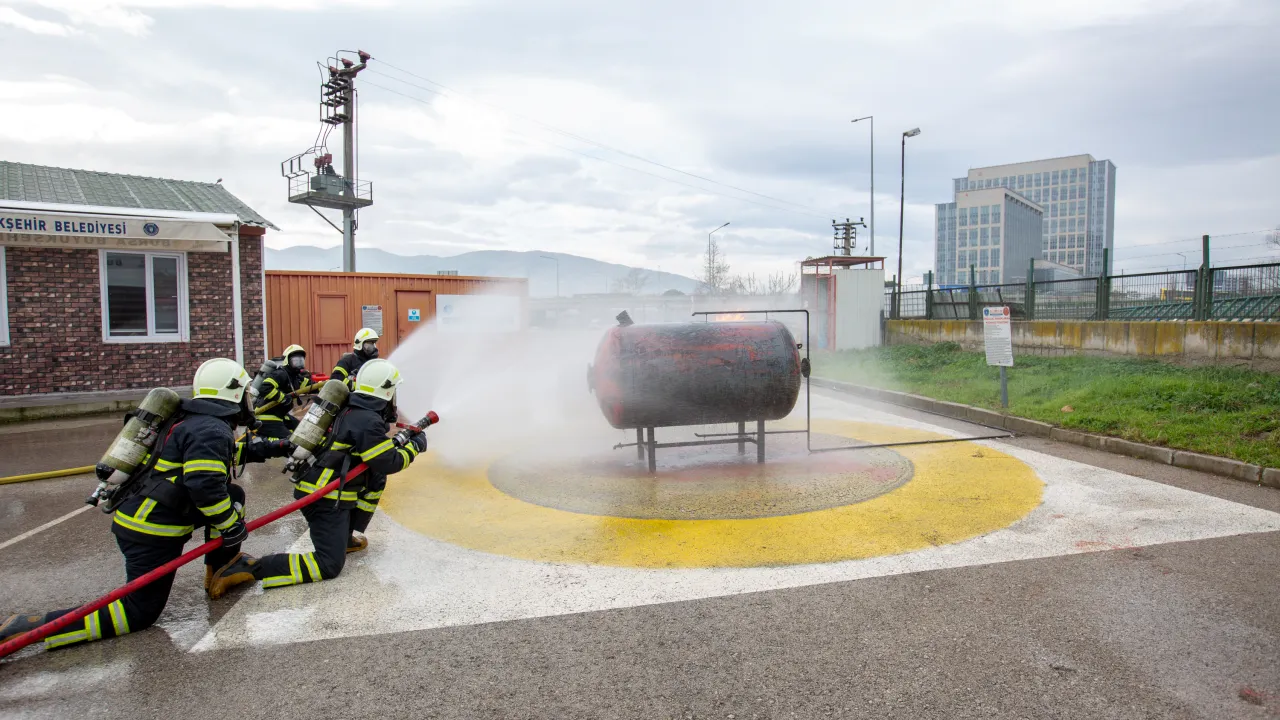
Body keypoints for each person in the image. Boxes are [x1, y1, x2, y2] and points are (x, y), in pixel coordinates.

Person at [0, 359, 294, 648]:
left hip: (147, 516)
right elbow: (204, 485)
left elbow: (218, 461)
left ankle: (221, 570)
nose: (249, 401)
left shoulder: (190, 419)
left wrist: (277, 446)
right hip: (152, 530)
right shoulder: (212, 430)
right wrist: (231, 527)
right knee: (138, 612)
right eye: (245, 393)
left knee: (234, 496)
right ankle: (32, 628)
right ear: (234, 393)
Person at [208, 359, 426, 596]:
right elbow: (389, 461)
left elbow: (378, 458)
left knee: (376, 477)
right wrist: (414, 446)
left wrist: (402, 441)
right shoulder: (367, 421)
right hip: (324, 498)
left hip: (321, 490)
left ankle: (345, 537)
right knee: (329, 565)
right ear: (386, 391)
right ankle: (250, 568)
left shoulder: (352, 409)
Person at [254, 344, 315, 440]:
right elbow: (265, 388)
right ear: (287, 361)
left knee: (300, 428)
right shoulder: (281, 374)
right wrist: (282, 398)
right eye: (295, 361)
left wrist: (329, 384)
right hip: (266, 417)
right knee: (291, 439)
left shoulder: (295, 377)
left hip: (280, 416)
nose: (299, 364)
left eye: (301, 360)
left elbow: (312, 386)